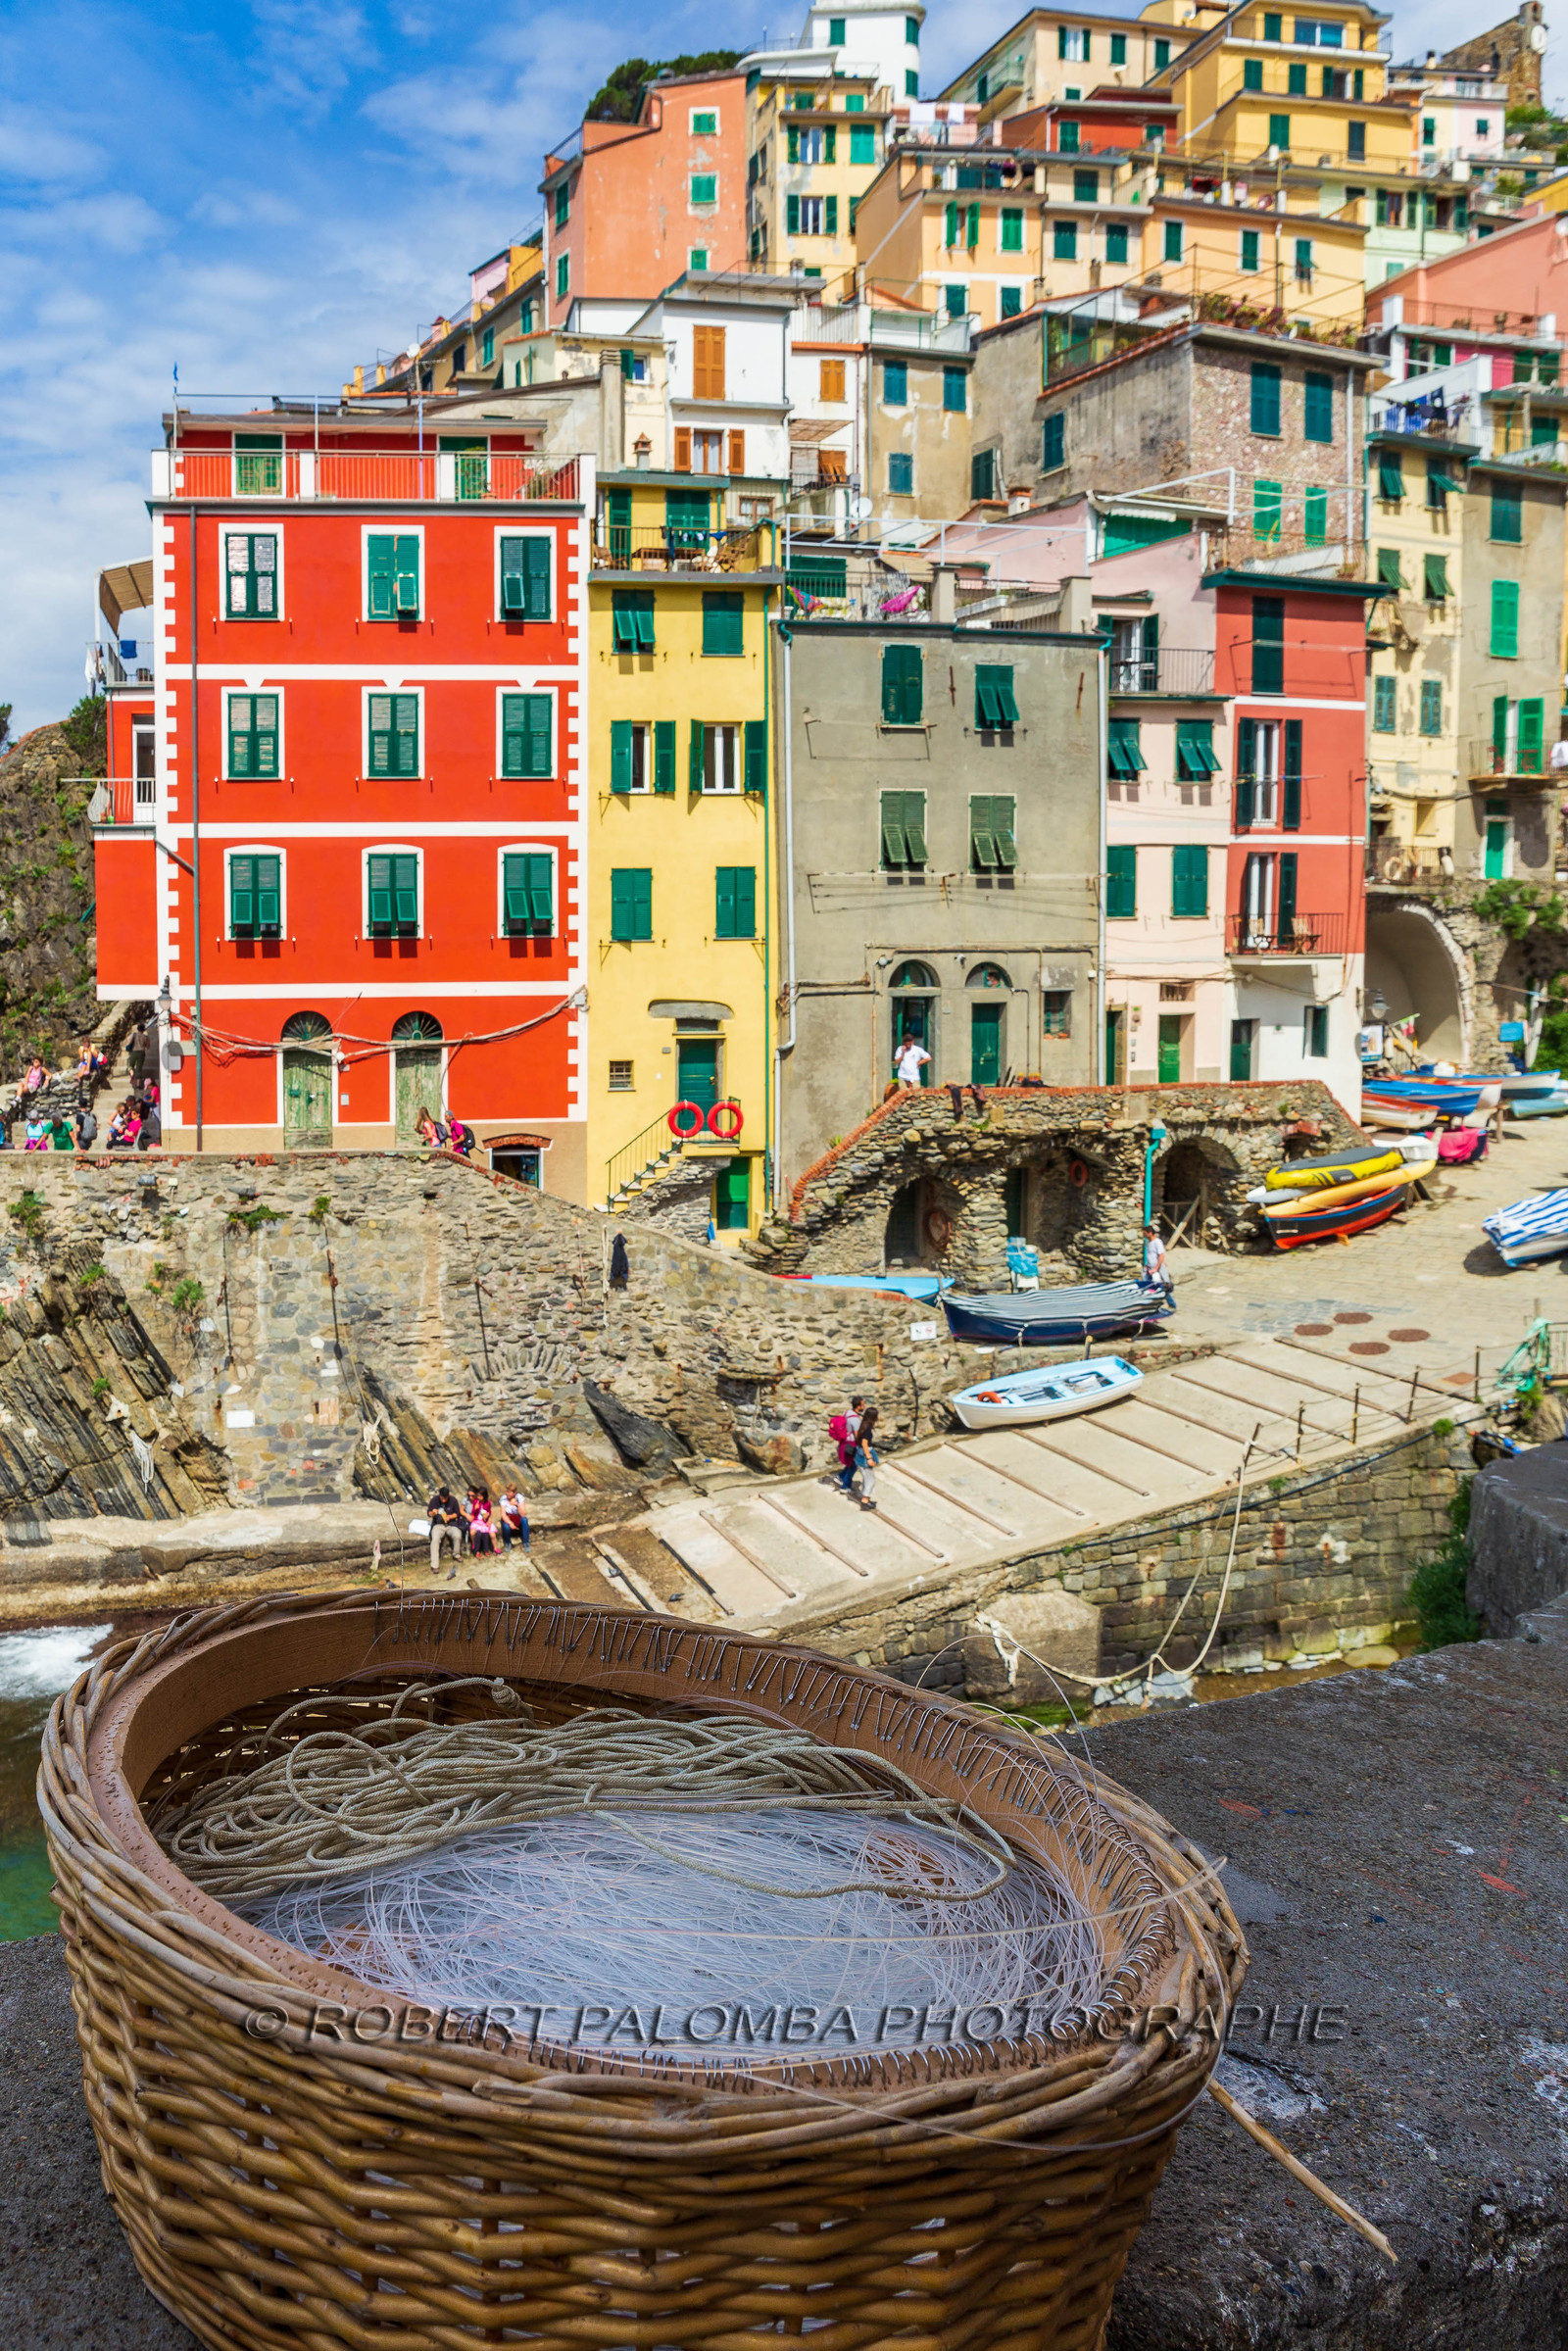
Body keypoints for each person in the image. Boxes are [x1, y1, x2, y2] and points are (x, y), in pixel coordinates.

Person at [842, 1405, 880, 1511]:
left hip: (859, 1455)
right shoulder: (868, 1429)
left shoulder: (862, 1425)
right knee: (870, 1479)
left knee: (867, 1478)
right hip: (864, 1457)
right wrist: (869, 1458)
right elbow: (864, 1443)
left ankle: (866, 1498)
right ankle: (865, 1501)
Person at [427, 1485, 465, 1577]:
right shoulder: (434, 1500)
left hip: (451, 1524)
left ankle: (456, 1554)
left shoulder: (453, 1500)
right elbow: (429, 1513)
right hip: (438, 1525)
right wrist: (433, 1513)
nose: (443, 1500)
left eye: (445, 1498)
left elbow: (457, 1513)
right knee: (435, 1539)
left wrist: (450, 1517)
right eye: (442, 1498)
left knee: (457, 1535)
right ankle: (435, 1564)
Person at [496, 1484, 530, 1554]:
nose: (507, 1493)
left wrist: (517, 1505)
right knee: (506, 1527)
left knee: (524, 1520)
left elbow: (523, 1514)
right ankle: (507, 1543)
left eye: (509, 1492)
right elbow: (503, 1514)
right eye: (506, 1491)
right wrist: (510, 1523)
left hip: (517, 1517)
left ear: (514, 1493)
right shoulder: (503, 1499)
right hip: (508, 1517)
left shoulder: (519, 1498)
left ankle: (526, 1542)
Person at [1142, 1221, 1172, 1298]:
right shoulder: (1148, 1243)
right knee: (1149, 1285)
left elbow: (1161, 1254)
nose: (1144, 1235)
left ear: (1150, 1233)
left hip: (1157, 1268)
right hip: (1150, 1268)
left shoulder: (1157, 1242)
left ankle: (1171, 1302)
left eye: (1145, 1233)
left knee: (1163, 1286)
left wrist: (1156, 1268)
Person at [466, 1488, 496, 1557]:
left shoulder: (488, 1503)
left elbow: (489, 1511)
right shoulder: (476, 1502)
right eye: (478, 1496)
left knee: (485, 1533)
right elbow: (473, 1513)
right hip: (476, 1521)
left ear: (484, 1496)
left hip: (483, 1521)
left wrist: (487, 1515)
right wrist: (475, 1508)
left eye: (480, 1496)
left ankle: (486, 1550)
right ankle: (474, 1546)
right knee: (473, 1533)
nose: (478, 1497)